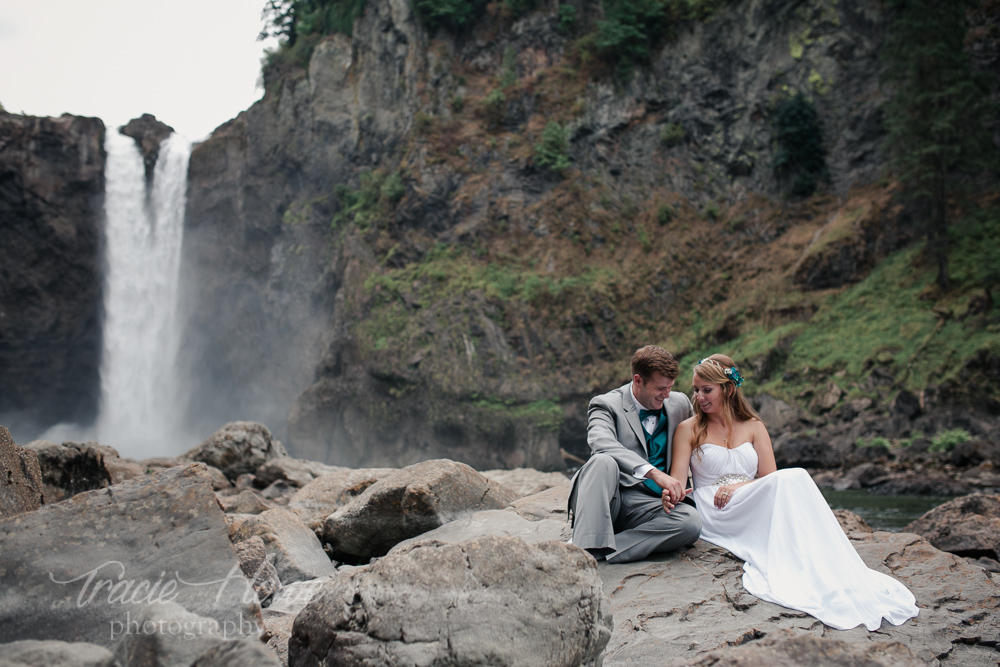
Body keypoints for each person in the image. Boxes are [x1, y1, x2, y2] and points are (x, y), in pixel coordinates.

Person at [668, 353, 919, 631]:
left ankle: (819, 562)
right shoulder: (688, 428)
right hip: (715, 507)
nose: (699, 397)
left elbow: (770, 478)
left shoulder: (754, 426)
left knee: (795, 477)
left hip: (748, 496)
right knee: (796, 476)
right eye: (695, 390)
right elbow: (678, 480)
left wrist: (740, 485)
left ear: (727, 389)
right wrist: (670, 493)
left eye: (707, 390)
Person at [568, 345, 702, 563]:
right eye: (661, 388)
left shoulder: (679, 404)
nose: (667, 395)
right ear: (638, 380)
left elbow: (706, 437)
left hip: (652, 507)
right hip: (610, 500)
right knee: (602, 461)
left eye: (670, 387)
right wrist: (654, 473)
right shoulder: (605, 404)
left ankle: (606, 551)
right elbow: (601, 442)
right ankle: (585, 545)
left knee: (691, 523)